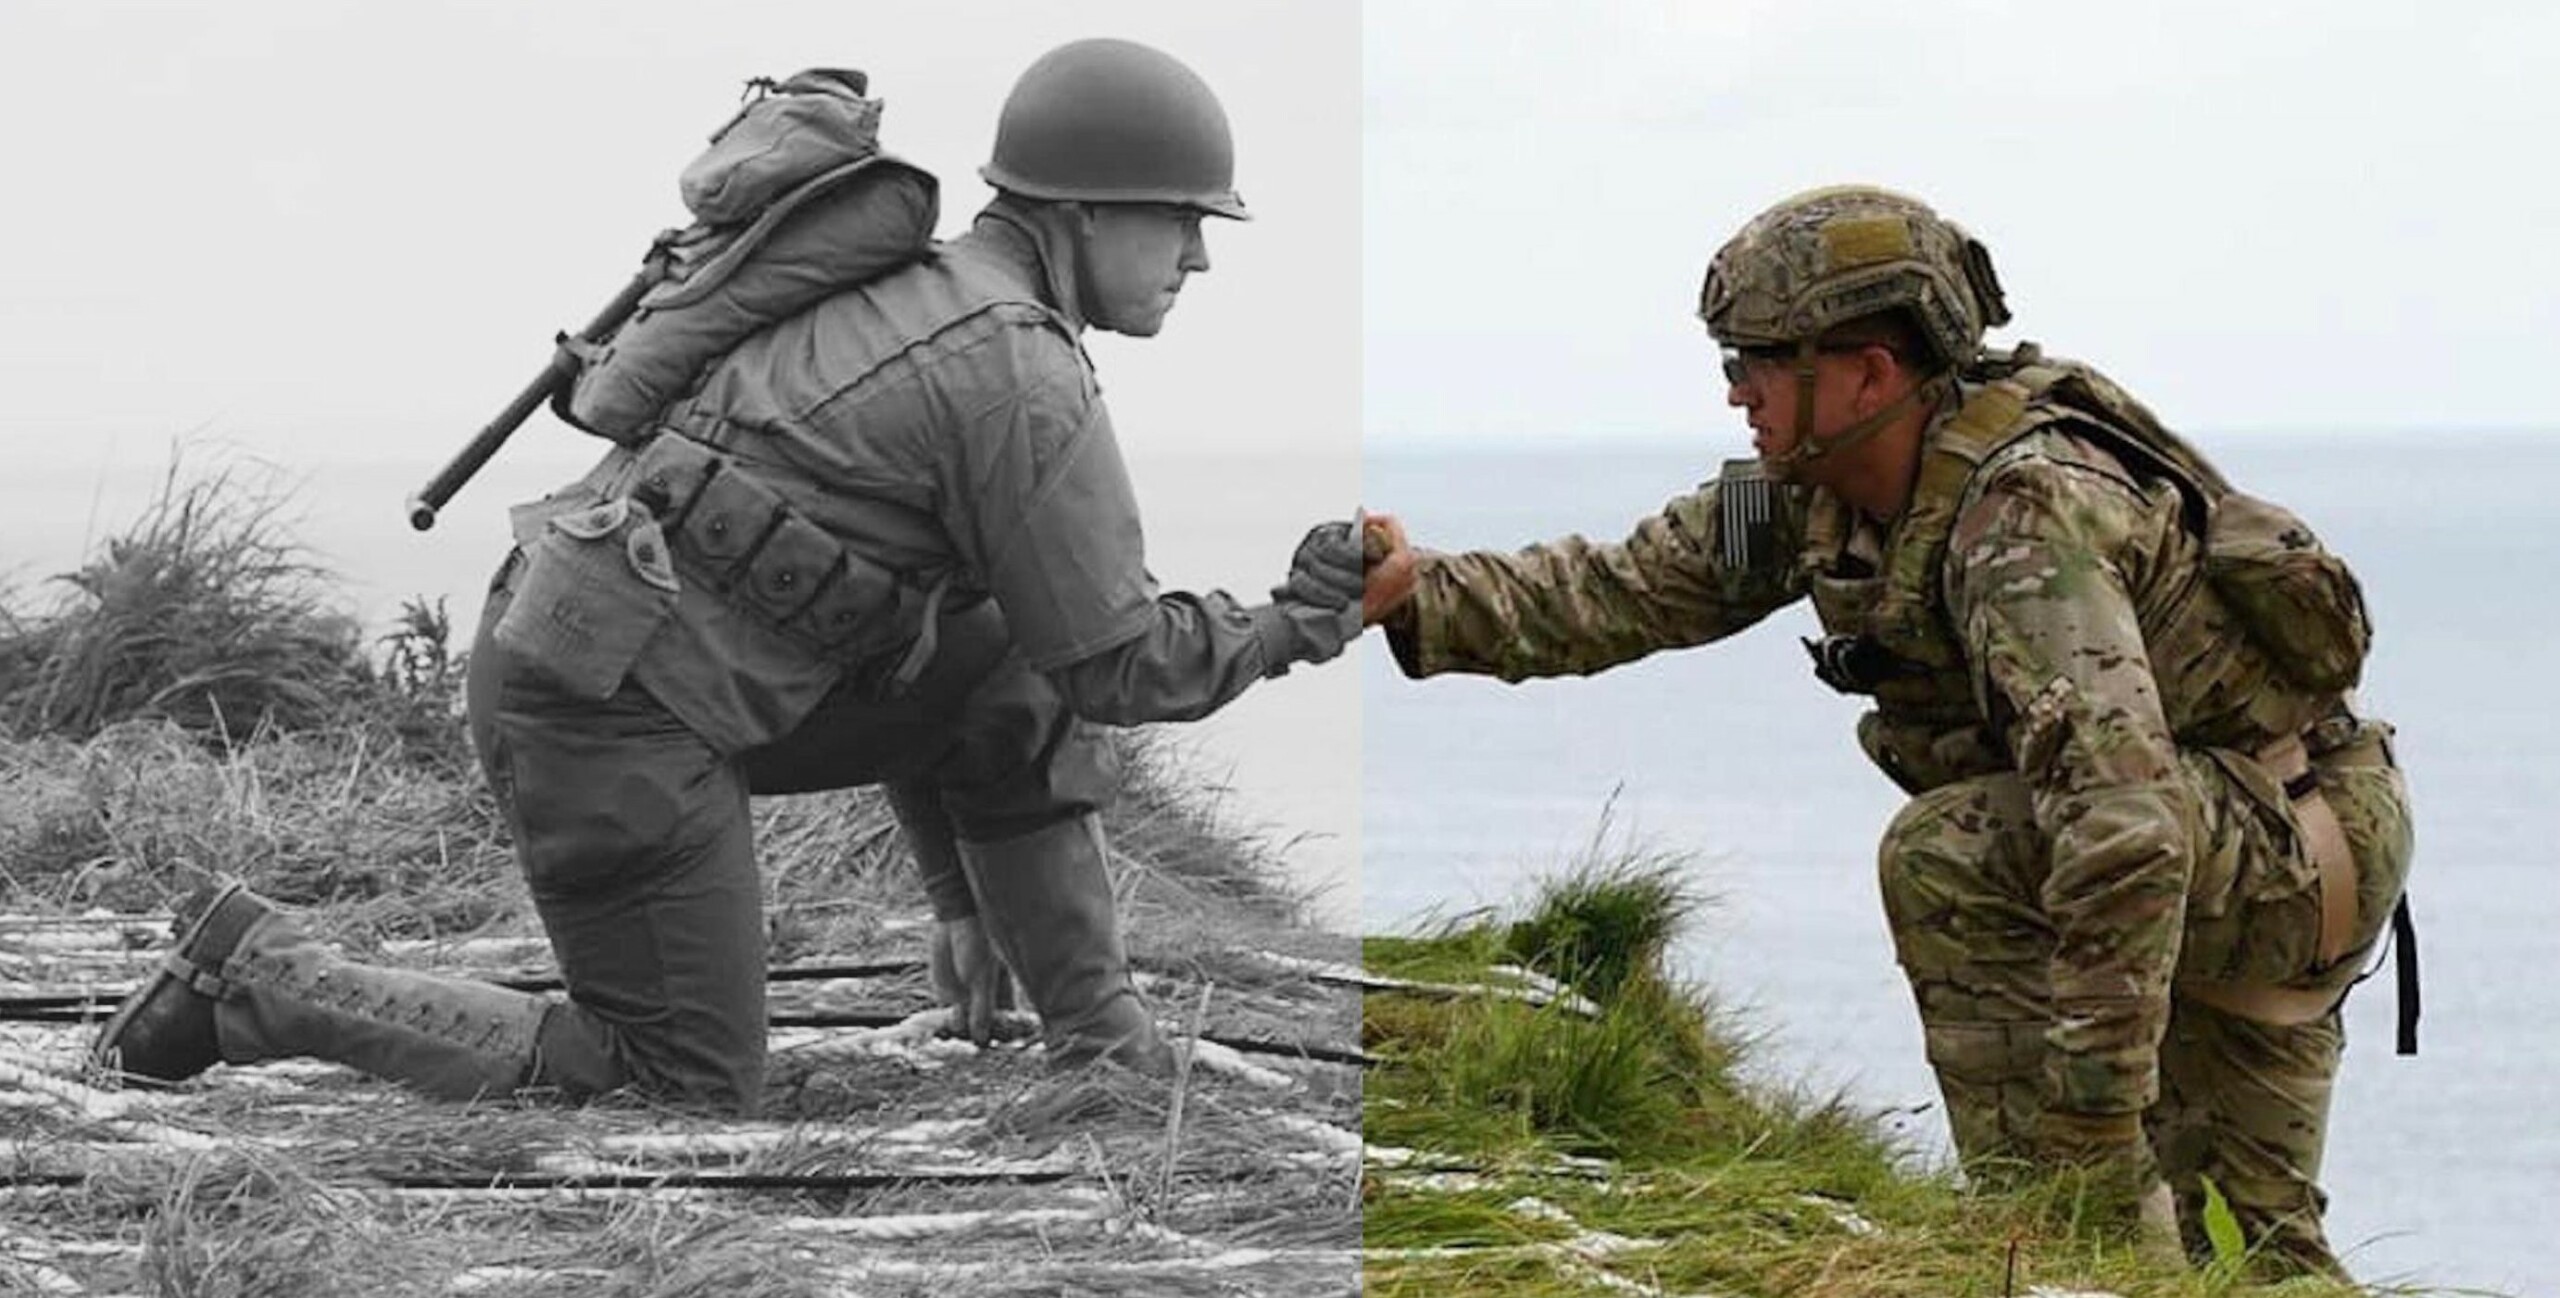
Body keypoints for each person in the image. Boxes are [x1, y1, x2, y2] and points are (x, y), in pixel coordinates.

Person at [92, 38, 1365, 1116]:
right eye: (1186, 220)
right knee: (679, 1074)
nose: (1197, 257)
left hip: (622, 655)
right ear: (1086, 211)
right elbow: (1123, 662)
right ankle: (260, 976)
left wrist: (956, 894)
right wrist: (1307, 618)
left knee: (1008, 658)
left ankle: (1101, 1043)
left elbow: (988, 655)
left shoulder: (935, 294)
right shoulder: (1018, 369)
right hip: (602, 705)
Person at [1360, 185, 2411, 1280]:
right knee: (2255, 1251)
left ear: (1867, 371)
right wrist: (1415, 589)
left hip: (2281, 854)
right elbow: (1624, 586)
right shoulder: (1798, 490)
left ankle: (2037, 1237)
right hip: (2231, 842)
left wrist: (2088, 1150)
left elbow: (2124, 825)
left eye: (1758, 360)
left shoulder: (2023, 515)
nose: (1736, 394)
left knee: (1948, 855)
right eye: (1731, 362)